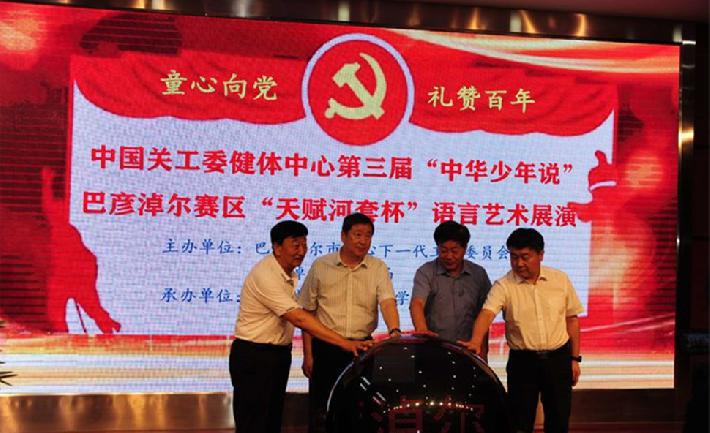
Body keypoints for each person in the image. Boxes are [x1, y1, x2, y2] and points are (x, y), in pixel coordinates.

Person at [229, 220, 371, 433]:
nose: (302, 251)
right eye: (295, 245)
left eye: (304, 245)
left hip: (276, 355)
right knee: (254, 422)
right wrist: (345, 343)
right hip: (255, 356)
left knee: (271, 420)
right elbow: (300, 318)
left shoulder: (287, 273)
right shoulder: (266, 275)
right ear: (277, 248)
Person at [461, 228, 583, 433]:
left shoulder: (560, 279)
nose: (519, 263)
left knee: (559, 419)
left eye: (525, 257)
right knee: (520, 422)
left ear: (540, 255)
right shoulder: (504, 285)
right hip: (523, 363)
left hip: (558, 359)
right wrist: (475, 340)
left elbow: (572, 320)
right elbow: (486, 314)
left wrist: (574, 359)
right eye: (514, 257)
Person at [299, 212, 401, 433]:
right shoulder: (321, 266)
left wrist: (394, 331)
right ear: (343, 236)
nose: (363, 241)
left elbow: (387, 302)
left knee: (359, 409)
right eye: (357, 234)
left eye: (368, 235)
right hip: (326, 348)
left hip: (362, 349)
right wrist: (308, 354)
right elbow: (307, 312)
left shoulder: (377, 267)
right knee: (322, 410)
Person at [409, 220, 492, 357]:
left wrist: (483, 351)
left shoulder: (478, 274)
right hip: (433, 349)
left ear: (465, 249)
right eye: (443, 251)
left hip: (468, 350)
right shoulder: (426, 272)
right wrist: (421, 329)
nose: (449, 256)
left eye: (454, 251)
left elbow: (485, 313)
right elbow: (417, 303)